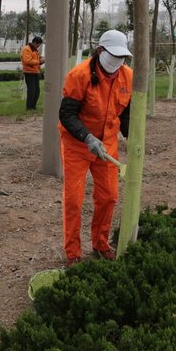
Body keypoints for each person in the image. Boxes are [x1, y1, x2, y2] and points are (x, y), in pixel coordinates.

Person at [59, 30, 133, 267]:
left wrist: (132, 138)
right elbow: (67, 114)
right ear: (100, 51)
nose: (118, 62)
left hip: (108, 145)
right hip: (78, 145)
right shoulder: (78, 75)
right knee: (74, 200)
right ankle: (73, 253)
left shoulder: (127, 76)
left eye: (122, 57)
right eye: (114, 56)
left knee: (109, 196)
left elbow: (127, 113)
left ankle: (101, 244)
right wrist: (87, 138)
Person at [21, 36, 45, 110]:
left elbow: (35, 61)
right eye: (38, 45)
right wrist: (39, 61)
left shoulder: (35, 50)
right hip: (29, 72)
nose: (38, 46)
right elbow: (28, 61)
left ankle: (33, 106)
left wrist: (40, 63)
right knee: (32, 90)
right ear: (34, 42)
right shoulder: (26, 49)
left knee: (37, 91)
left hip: (35, 71)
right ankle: (29, 106)